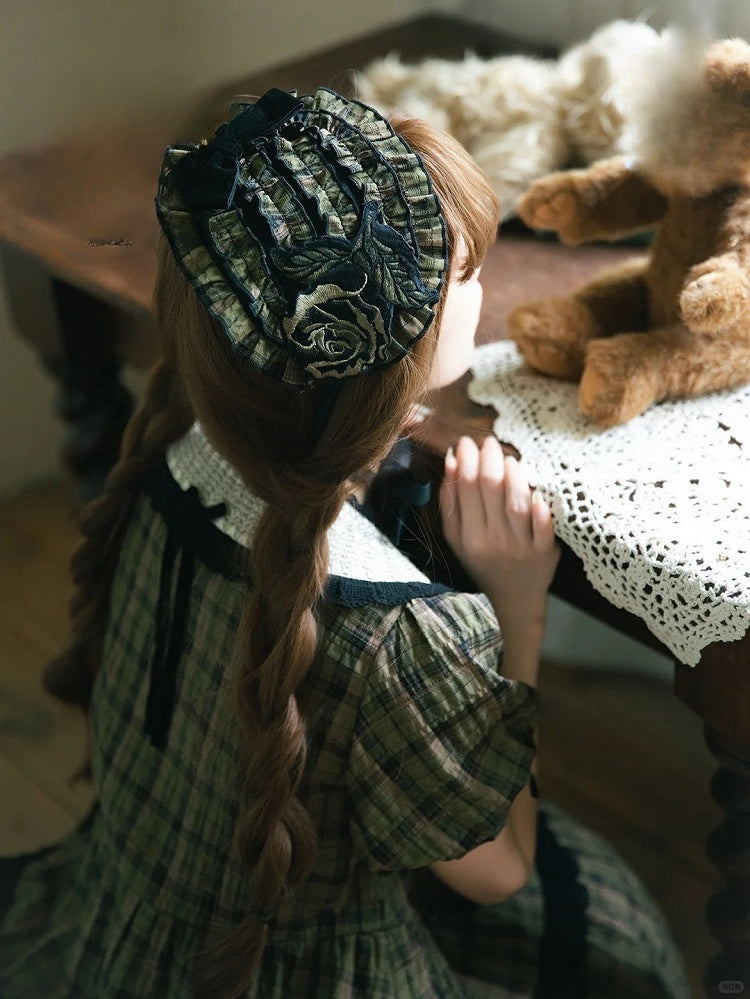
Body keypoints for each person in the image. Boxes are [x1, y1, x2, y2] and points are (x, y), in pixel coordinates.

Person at [0, 87, 688, 999]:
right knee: (624, 932)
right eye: (464, 275)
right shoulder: (401, 633)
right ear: (387, 355)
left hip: (127, 911)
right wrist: (515, 605)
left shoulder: (170, 460)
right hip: (291, 968)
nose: (480, 289)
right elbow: (499, 869)